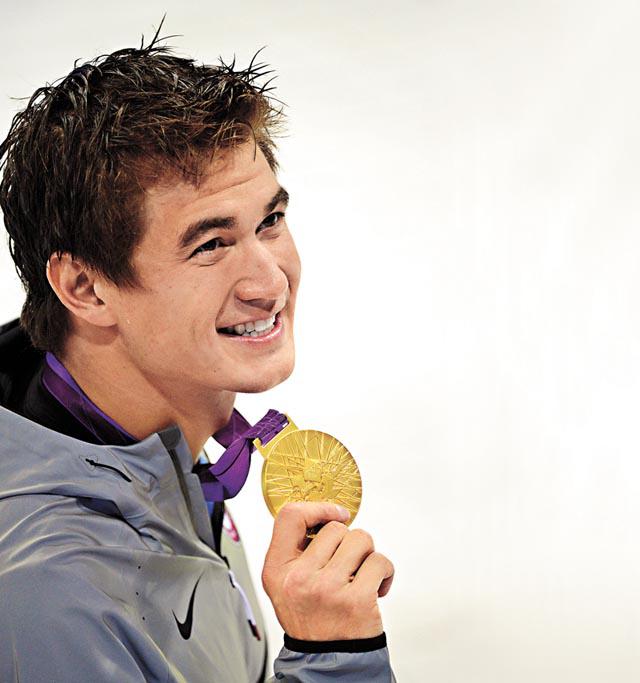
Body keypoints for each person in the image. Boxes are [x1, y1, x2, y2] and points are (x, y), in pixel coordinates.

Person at [0, 30, 396, 682]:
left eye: (269, 221)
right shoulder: (50, 599)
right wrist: (333, 658)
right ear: (85, 287)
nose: (269, 282)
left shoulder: (160, 448)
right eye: (211, 244)